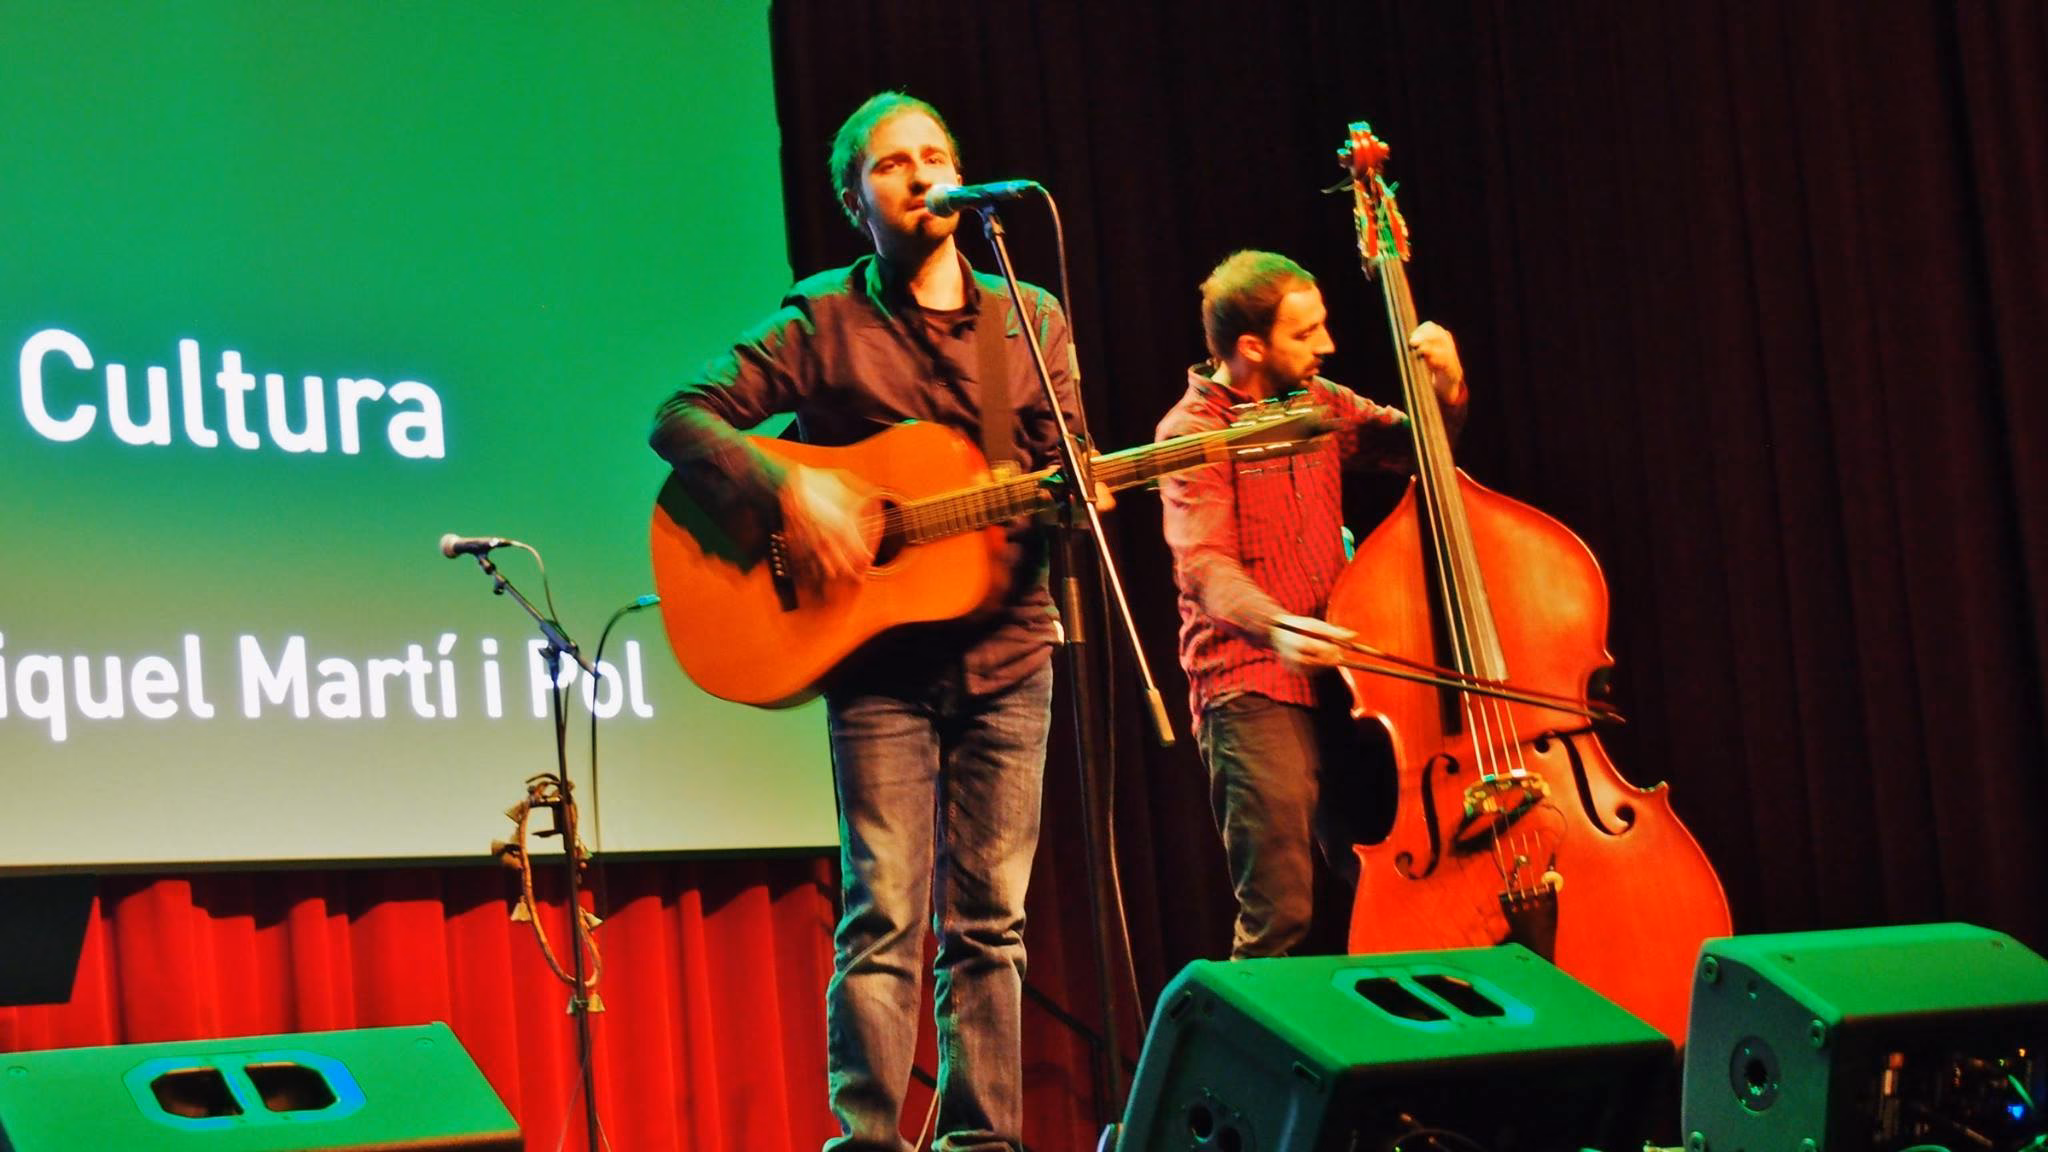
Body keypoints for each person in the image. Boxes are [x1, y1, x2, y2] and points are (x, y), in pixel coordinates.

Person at [648, 92, 1081, 1152]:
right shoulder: (821, 321)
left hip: (1009, 646)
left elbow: (1065, 465)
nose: (921, 174)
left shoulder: (1021, 320)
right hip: (877, 663)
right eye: (894, 164)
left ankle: (981, 1141)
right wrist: (790, 492)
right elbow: (679, 417)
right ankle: (868, 1142)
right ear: (857, 198)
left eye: (937, 155)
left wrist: (1079, 492)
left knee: (991, 922)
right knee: (884, 911)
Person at [1156, 249, 1467, 960]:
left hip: (1345, 684)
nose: (1326, 345)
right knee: (1281, 914)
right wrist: (1277, 624)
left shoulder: (1320, 404)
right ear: (1251, 347)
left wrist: (1446, 388)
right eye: (1307, 333)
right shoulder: (1191, 431)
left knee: (1389, 885)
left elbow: (1423, 453)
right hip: (1251, 685)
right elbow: (1203, 565)